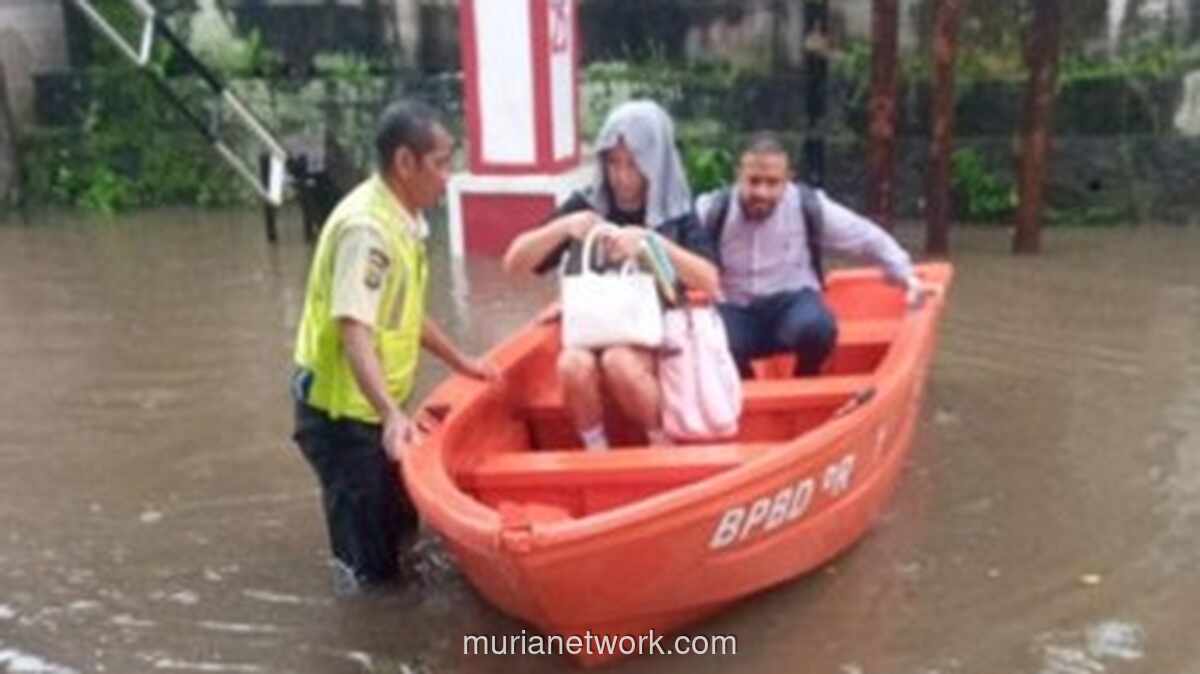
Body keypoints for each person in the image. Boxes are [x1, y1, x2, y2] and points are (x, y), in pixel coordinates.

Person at [291, 100, 497, 595]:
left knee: (403, 526)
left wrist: (462, 362)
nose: (448, 177)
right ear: (406, 163)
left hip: (372, 410)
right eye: (441, 163)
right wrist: (389, 413)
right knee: (369, 571)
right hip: (343, 417)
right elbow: (354, 327)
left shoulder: (401, 220)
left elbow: (403, 314)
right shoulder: (368, 231)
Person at [502, 100, 719, 450]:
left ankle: (659, 440)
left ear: (655, 163)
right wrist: (563, 227)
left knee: (619, 360)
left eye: (633, 164)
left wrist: (650, 243)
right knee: (572, 364)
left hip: (655, 328)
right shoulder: (588, 204)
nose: (622, 177)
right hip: (594, 324)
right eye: (613, 163)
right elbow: (514, 263)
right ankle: (596, 449)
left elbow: (710, 280)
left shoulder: (677, 211)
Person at [696, 131, 923, 378]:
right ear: (738, 175)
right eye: (754, 181)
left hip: (791, 307)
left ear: (788, 180)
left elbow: (866, 237)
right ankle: (742, 385)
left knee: (817, 327)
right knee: (704, 339)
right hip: (737, 310)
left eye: (772, 183)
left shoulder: (808, 206)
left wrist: (906, 275)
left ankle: (807, 376)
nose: (762, 192)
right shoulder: (711, 210)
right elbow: (671, 246)